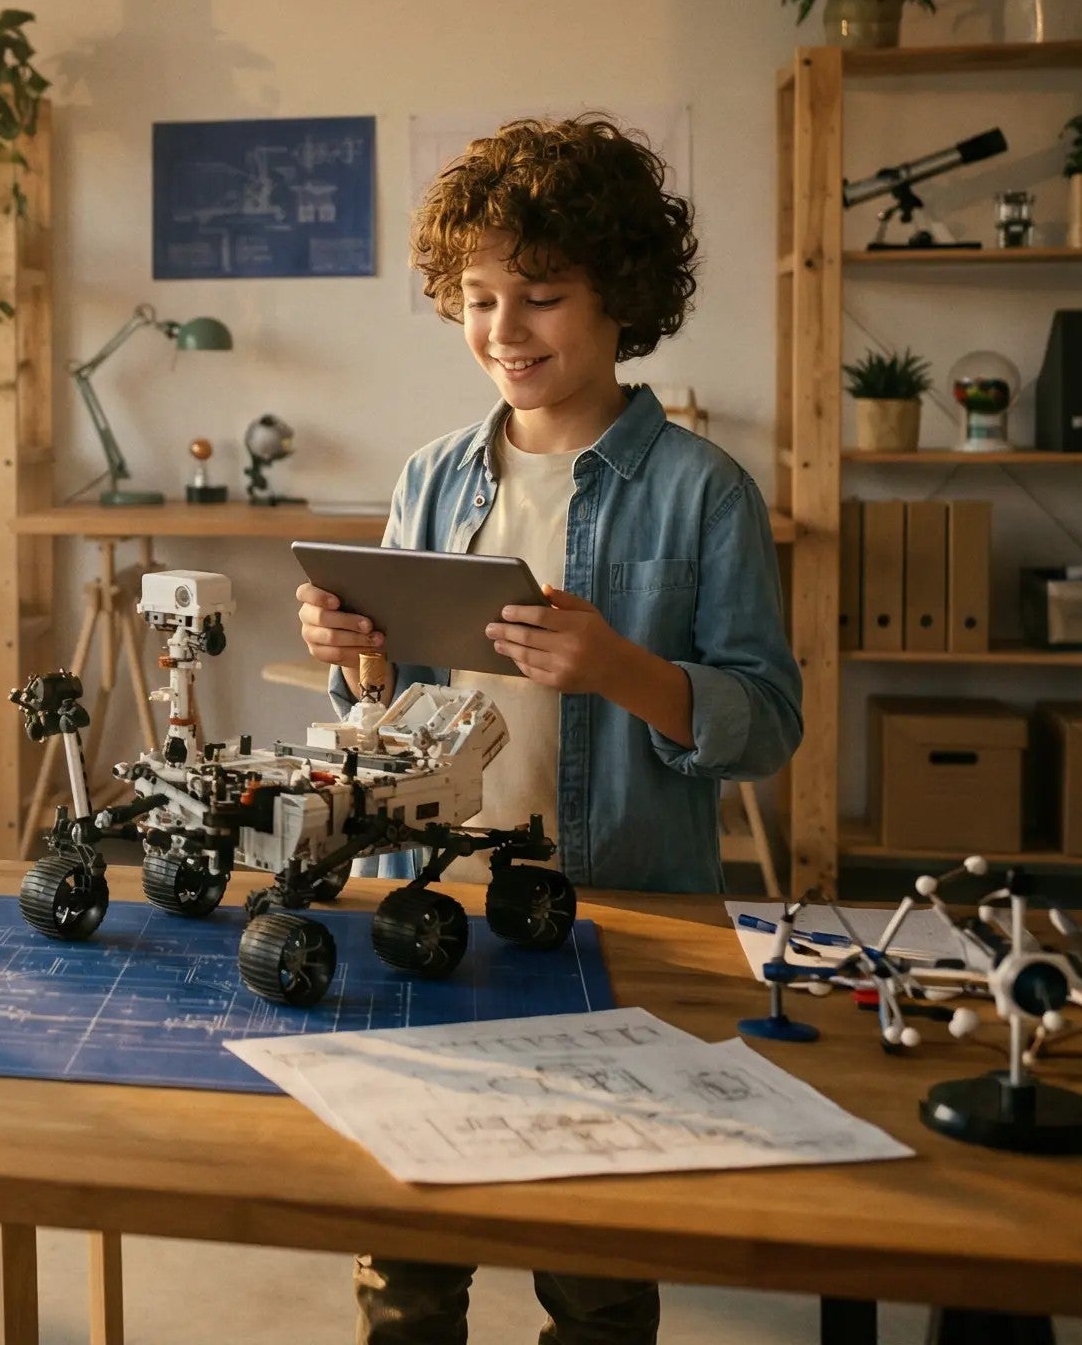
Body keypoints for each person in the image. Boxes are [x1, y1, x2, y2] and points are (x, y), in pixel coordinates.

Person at [295, 116, 800, 1345]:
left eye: (540, 297)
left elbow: (767, 722)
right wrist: (357, 666)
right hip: (434, 907)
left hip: (617, 913)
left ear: (620, 294)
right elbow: (389, 714)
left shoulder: (703, 491)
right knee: (410, 1268)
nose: (502, 332)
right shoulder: (430, 477)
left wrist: (626, 670)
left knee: (600, 1274)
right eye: (475, 298)